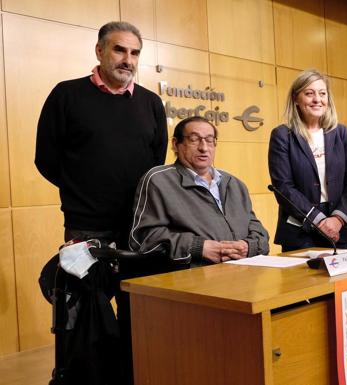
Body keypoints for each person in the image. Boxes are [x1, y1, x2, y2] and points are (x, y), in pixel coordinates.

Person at [35, 21, 167, 385]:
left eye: (134, 52)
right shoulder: (66, 95)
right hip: (86, 227)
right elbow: (46, 159)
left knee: (138, 312)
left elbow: (156, 164)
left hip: (140, 229)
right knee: (86, 318)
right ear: (99, 51)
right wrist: (84, 189)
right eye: (119, 50)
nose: (128, 59)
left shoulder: (151, 104)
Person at [129, 116, 270, 265]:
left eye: (209, 140)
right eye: (194, 139)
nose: (204, 148)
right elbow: (143, 238)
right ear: (176, 144)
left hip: (243, 273)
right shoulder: (159, 181)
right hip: (192, 276)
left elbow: (259, 232)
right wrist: (197, 247)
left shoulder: (234, 184)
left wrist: (248, 247)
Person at [268, 69, 347, 252]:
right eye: (309, 93)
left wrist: (337, 219)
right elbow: (283, 187)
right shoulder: (282, 135)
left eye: (322, 93)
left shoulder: (341, 133)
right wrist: (318, 220)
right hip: (300, 231)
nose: (317, 99)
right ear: (296, 99)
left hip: (340, 228)